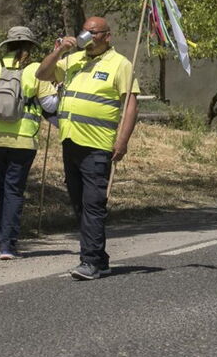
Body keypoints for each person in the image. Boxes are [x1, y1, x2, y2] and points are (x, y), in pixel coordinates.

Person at [36, 16, 139, 281]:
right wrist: (59, 50)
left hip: (97, 144)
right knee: (80, 205)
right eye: (85, 32)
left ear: (107, 36)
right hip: (70, 141)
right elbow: (42, 74)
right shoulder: (74, 59)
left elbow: (129, 106)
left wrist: (122, 140)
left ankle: (90, 261)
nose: (89, 37)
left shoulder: (120, 65)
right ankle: (100, 258)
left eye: (94, 33)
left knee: (93, 204)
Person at [0, 26, 58, 260]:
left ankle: (0, 239)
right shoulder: (36, 70)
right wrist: (58, 91)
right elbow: (50, 106)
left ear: (7, 45)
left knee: (0, 187)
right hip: (23, 138)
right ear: (30, 47)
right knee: (14, 190)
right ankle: (8, 244)